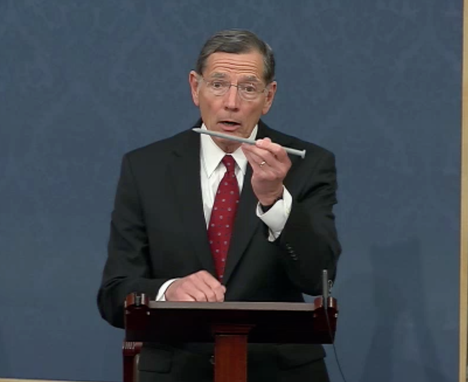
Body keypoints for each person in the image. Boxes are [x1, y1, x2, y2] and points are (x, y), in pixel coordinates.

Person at [97, 29, 342, 382]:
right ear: (195, 88)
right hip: (177, 371)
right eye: (218, 85)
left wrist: (274, 198)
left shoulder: (308, 165)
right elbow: (113, 293)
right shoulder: (145, 168)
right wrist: (169, 291)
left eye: (248, 88)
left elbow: (317, 275)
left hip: (279, 371)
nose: (231, 103)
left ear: (268, 96)